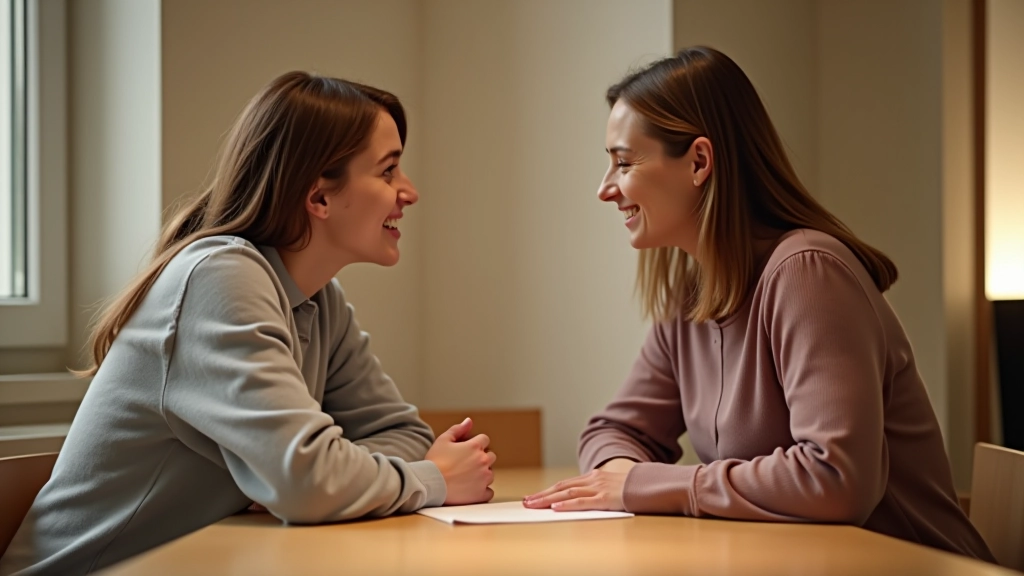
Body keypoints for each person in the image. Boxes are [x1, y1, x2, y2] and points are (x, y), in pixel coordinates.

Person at [1, 72, 495, 576]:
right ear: (319, 197)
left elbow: (397, 432)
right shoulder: (219, 278)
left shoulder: (319, 299)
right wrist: (429, 479)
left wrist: (317, 478)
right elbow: (306, 483)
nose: (409, 192)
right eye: (388, 172)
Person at [524, 47, 994, 561]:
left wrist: (644, 485)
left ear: (699, 161)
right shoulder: (691, 295)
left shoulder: (808, 273)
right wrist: (616, 476)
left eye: (623, 162)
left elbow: (836, 478)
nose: (604, 189)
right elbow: (613, 430)